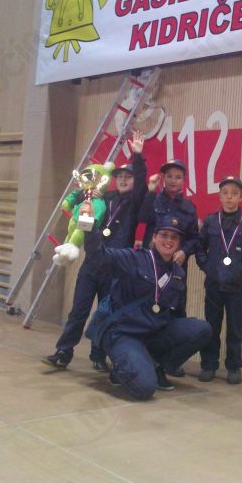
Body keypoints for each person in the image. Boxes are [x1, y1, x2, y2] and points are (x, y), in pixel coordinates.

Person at [41, 131, 148, 372]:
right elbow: (82, 192)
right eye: (120, 176)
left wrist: (137, 156)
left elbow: (142, 183)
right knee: (78, 310)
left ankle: (98, 355)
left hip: (115, 268)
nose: (123, 180)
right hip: (92, 262)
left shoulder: (134, 203)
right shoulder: (104, 197)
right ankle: (64, 351)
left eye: (128, 177)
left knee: (105, 313)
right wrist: (83, 203)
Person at [84, 215, 212, 400]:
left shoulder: (177, 273)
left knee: (202, 329)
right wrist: (89, 227)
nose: (169, 241)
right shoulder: (134, 258)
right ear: (154, 237)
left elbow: (176, 313)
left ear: (179, 243)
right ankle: (122, 369)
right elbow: (99, 256)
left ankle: (156, 364)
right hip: (124, 332)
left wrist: (176, 344)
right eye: (164, 235)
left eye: (174, 237)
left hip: (152, 333)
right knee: (144, 388)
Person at [195, 176, 242, 384]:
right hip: (214, 284)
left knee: (235, 328)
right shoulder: (210, 221)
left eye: (234, 194)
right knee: (211, 326)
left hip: (236, 286)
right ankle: (209, 364)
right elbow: (199, 247)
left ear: (241, 197)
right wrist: (208, 267)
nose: (229, 197)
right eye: (225, 193)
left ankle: (234, 367)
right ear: (220, 196)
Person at [137, 158, 198, 377]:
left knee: (176, 310)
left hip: (176, 267)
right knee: (148, 307)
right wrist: (150, 191)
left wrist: (185, 251)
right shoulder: (154, 199)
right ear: (163, 178)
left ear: (184, 180)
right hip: (151, 266)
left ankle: (169, 360)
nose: (173, 180)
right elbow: (141, 217)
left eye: (178, 177)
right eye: (169, 176)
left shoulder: (189, 207)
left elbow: (194, 238)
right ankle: (144, 356)